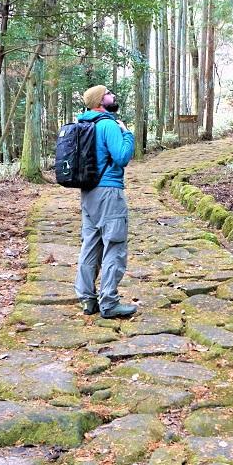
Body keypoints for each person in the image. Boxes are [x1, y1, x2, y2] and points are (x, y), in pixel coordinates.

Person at [74, 85, 138, 319]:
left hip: (88, 192)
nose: (114, 96)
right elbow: (121, 157)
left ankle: (87, 299)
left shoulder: (85, 124)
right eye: (109, 93)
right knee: (114, 244)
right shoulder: (108, 124)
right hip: (109, 192)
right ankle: (109, 303)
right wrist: (127, 133)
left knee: (90, 244)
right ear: (101, 100)